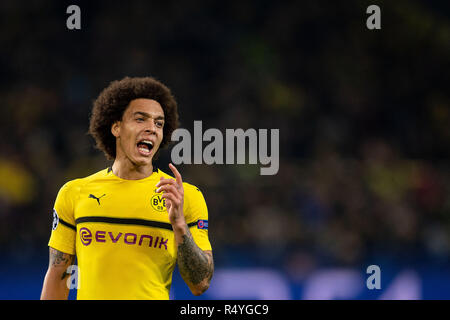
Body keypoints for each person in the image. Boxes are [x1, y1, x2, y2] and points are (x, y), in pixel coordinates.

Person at [40, 77, 213, 299]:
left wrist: (179, 225)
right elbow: (58, 275)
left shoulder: (184, 196)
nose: (151, 128)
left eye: (159, 123)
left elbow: (201, 284)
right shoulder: (75, 193)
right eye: (140, 119)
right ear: (116, 127)